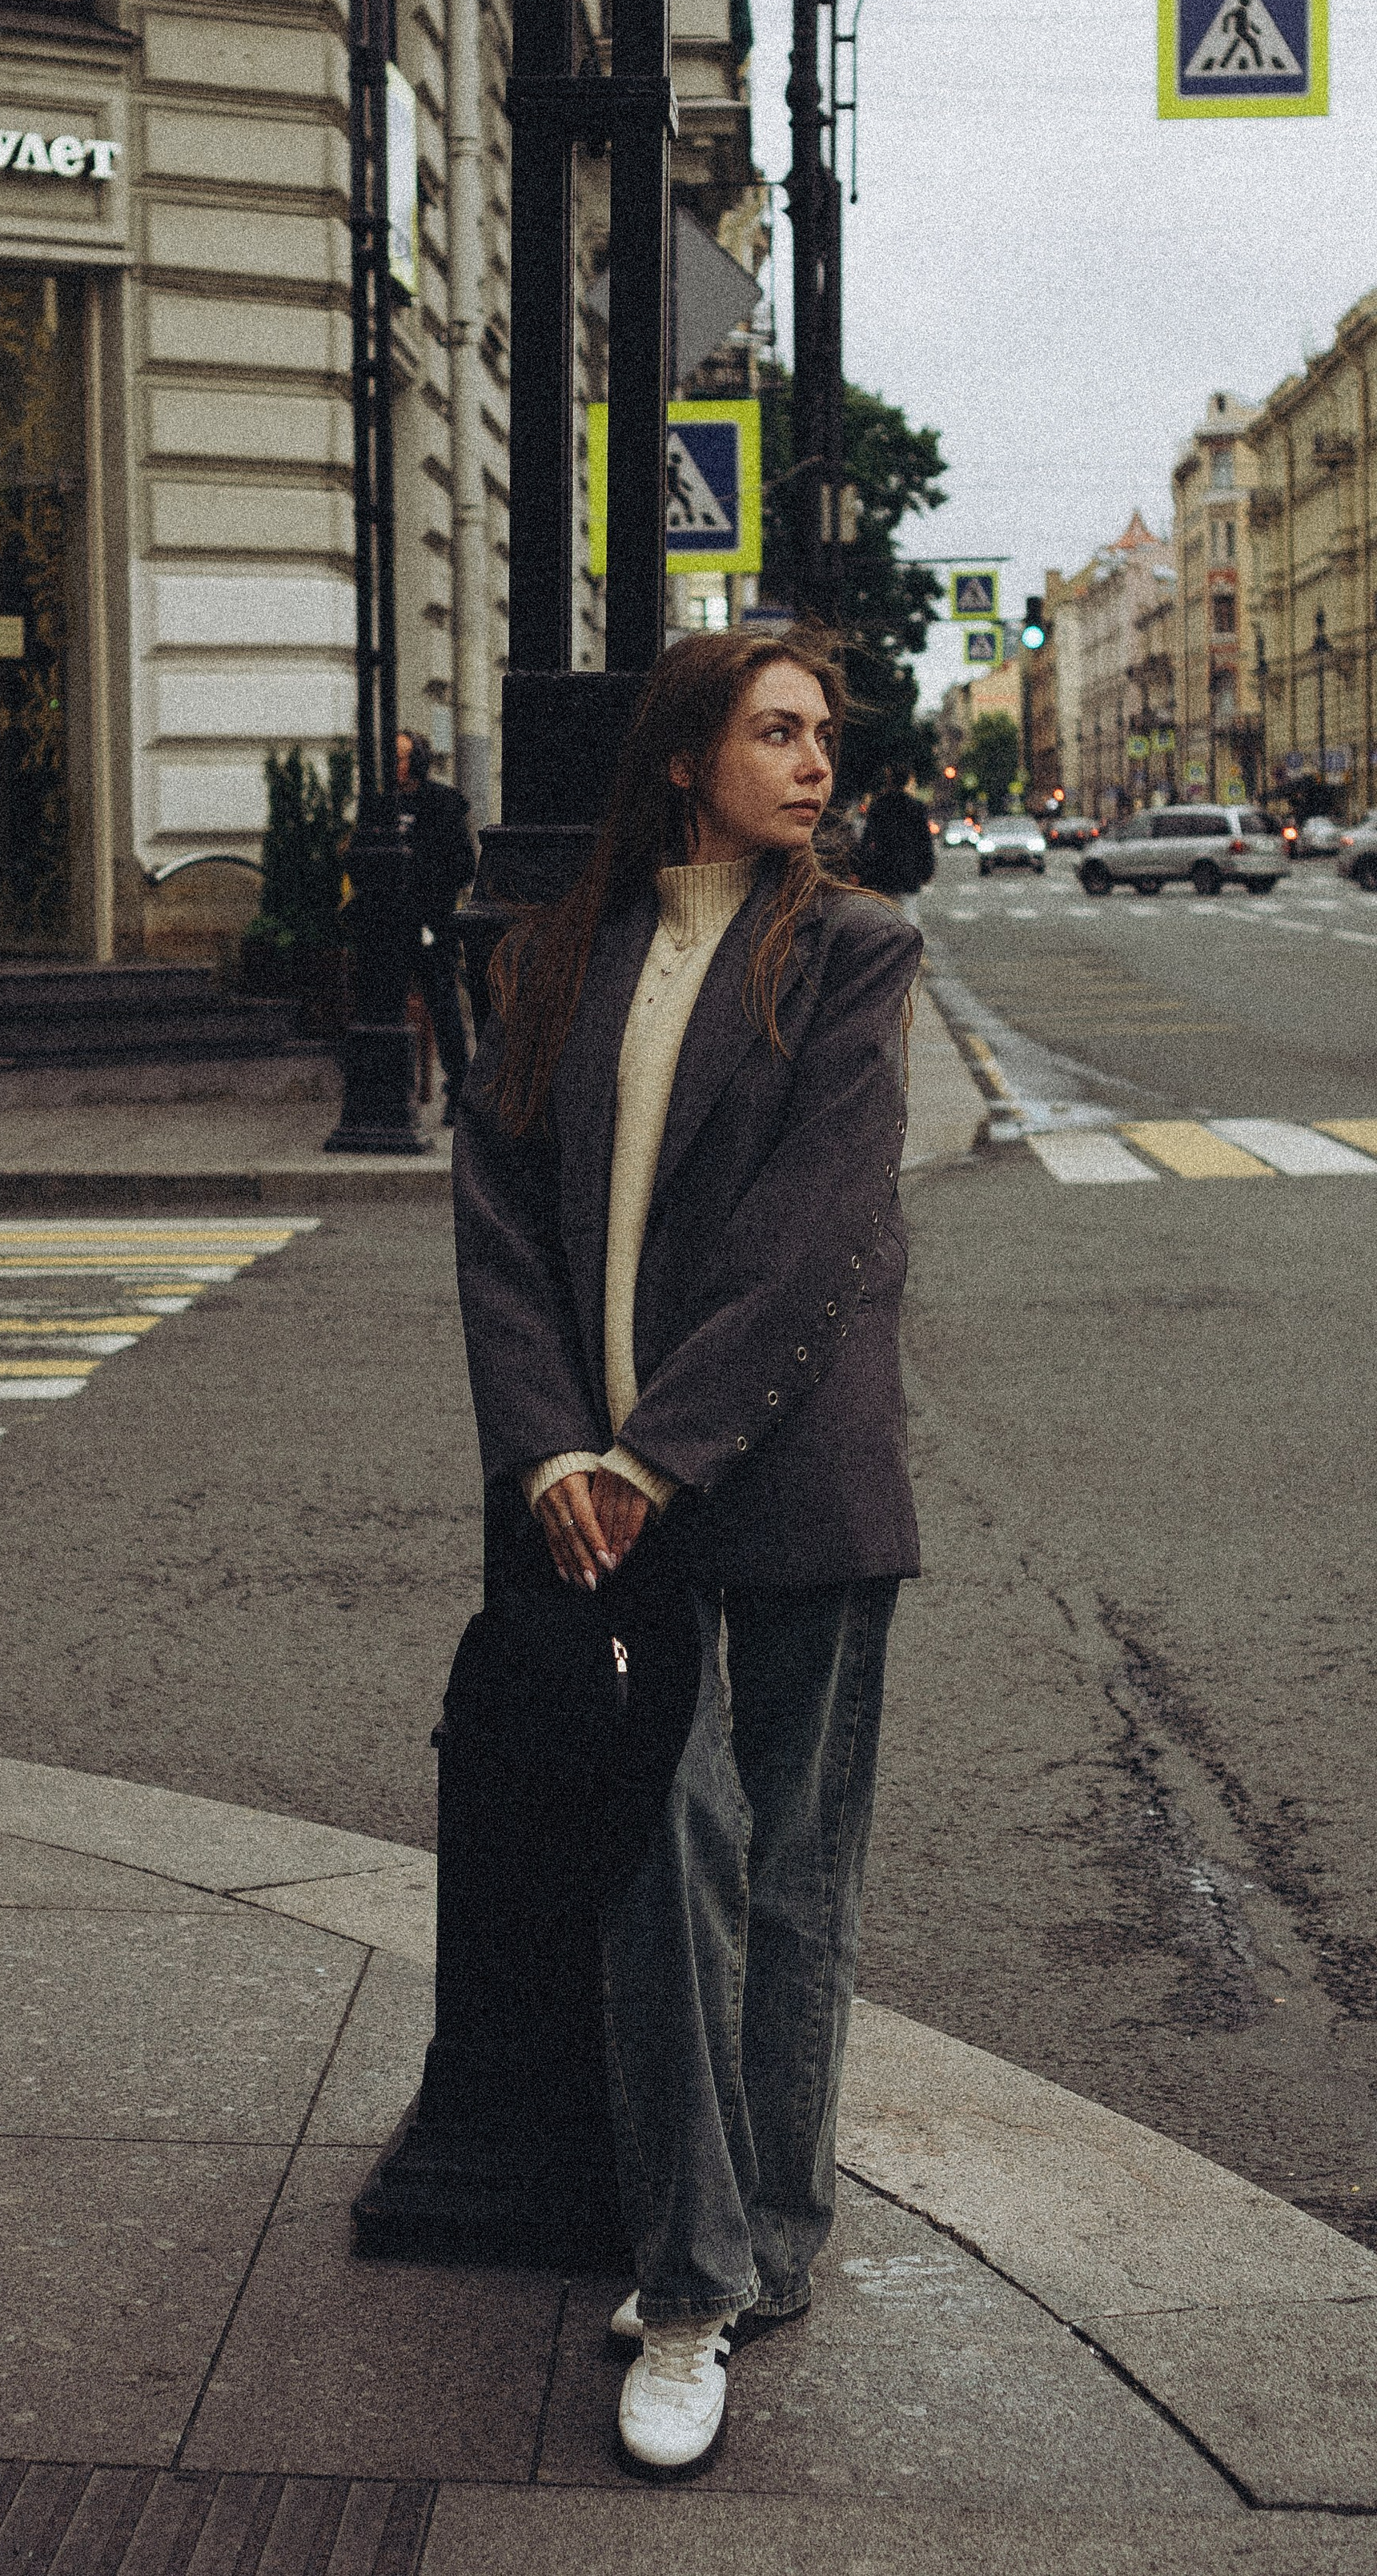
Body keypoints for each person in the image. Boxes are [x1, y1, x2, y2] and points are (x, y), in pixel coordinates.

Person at [452, 623, 922, 2478]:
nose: (813, 761)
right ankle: (690, 2281)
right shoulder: (552, 956)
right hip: (605, 1492)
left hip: (785, 1476)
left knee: (792, 1873)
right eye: (775, 729)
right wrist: (548, 1447)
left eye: (822, 733)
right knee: (661, 1864)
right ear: (681, 754)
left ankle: (766, 2243)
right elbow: (496, 1218)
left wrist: (658, 1451)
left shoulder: (851, 948)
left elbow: (815, 1238)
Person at [396, 728, 476, 1125]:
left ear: (418, 762)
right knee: (385, 1005)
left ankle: (459, 1089)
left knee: (443, 1005)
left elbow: (465, 865)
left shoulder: (442, 804)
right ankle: (396, 1091)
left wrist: (430, 887)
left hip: (432, 922)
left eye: (401, 757)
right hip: (391, 922)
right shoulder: (383, 804)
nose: (394, 765)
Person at [855, 768, 937, 912]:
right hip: (907, 871)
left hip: (881, 870)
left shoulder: (879, 805)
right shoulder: (916, 807)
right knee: (907, 914)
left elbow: (867, 839)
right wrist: (927, 869)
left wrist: (860, 869)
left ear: (889, 780)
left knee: (882, 913)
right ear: (908, 781)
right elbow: (924, 842)